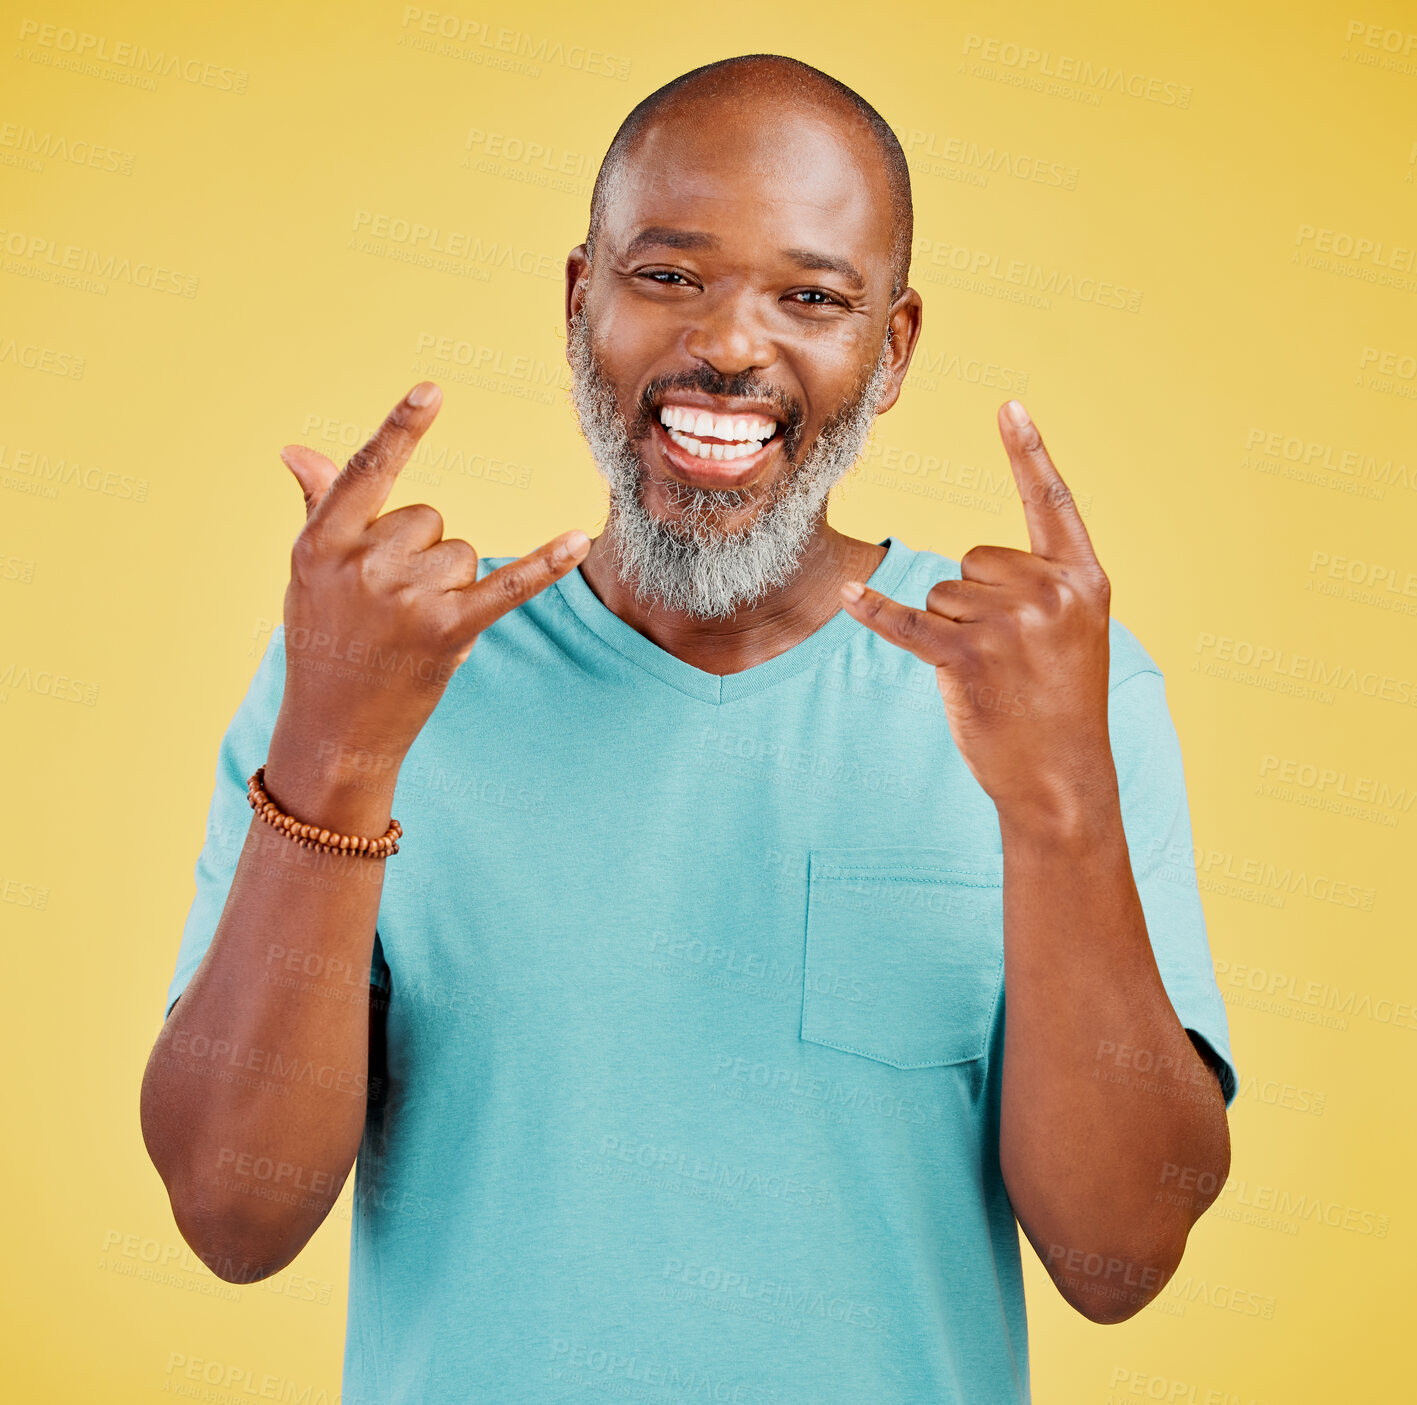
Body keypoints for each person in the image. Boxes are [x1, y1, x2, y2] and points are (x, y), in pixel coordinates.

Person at [141, 53, 1236, 1405]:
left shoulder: (1062, 688)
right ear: (577, 297)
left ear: (889, 350)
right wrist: (336, 751)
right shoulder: (374, 671)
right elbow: (231, 1216)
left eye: (811, 296)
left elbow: (1122, 1255)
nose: (727, 343)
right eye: (666, 276)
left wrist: (1060, 800)